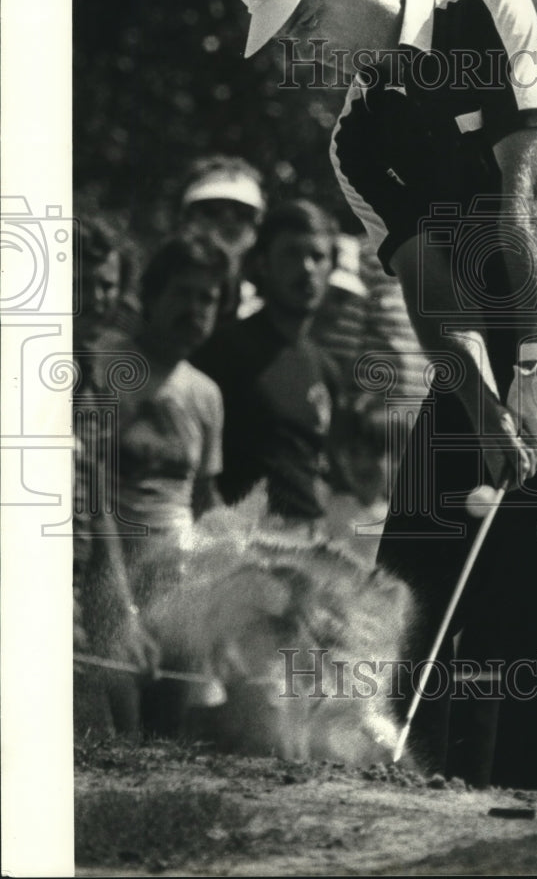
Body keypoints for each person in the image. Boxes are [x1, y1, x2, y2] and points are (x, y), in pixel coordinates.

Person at [223, 0, 537, 798]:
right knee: (411, 564)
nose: (303, 51)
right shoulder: (357, 135)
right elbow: (437, 294)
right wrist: (483, 404)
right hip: (488, 336)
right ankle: (392, 792)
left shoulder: (487, 7)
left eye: (306, 20)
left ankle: (533, 815)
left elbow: (532, 192)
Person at [194, 199, 343, 539]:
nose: (306, 268)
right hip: (241, 545)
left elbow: (313, 468)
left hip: (308, 543)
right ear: (263, 263)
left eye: (318, 257)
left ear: (331, 268)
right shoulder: (224, 350)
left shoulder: (326, 368)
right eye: (291, 253)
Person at [73, 218, 160, 737]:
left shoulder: (95, 377)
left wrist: (121, 609)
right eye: (81, 283)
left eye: (108, 283)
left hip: (78, 578)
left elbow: (101, 503)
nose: (98, 296)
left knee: (101, 735)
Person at [110, 236, 229, 607]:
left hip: (171, 586)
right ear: (152, 295)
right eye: (182, 293)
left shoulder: (206, 393)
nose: (194, 308)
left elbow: (203, 496)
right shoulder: (104, 365)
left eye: (206, 299)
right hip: (105, 575)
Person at [178, 154, 267, 324]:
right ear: (187, 218)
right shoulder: (150, 294)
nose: (228, 219)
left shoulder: (260, 313)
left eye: (242, 211)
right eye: (213, 209)